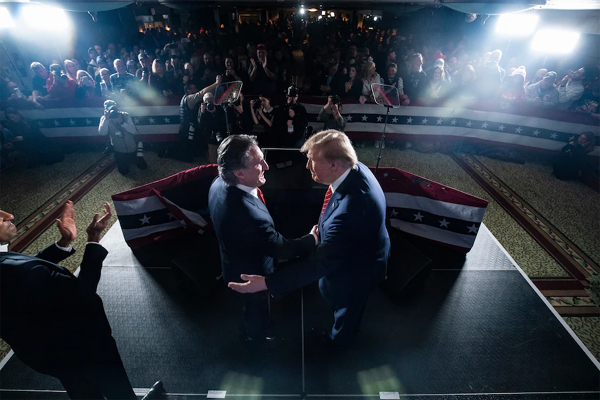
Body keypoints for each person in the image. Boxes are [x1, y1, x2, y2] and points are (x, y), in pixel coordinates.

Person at [229, 130, 391, 349]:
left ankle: (337, 345)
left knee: (347, 312)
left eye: (312, 161)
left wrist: (267, 282)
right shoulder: (355, 168)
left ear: (335, 165)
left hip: (355, 274)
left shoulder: (351, 210)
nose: (307, 167)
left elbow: (319, 265)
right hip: (360, 253)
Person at [0, 202, 165, 399]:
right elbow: (82, 295)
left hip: (41, 351)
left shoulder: (9, 267)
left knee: (81, 390)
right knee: (115, 386)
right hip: (84, 345)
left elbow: (22, 275)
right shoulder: (17, 271)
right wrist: (93, 240)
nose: (9, 216)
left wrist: (63, 243)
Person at [208, 135, 317, 345]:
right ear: (239, 173)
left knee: (246, 307)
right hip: (252, 272)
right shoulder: (251, 217)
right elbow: (281, 248)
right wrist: (311, 239)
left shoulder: (218, 183)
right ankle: (257, 339)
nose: (267, 166)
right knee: (256, 309)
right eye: (259, 163)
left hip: (232, 259)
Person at [98, 100, 147, 175]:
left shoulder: (125, 115)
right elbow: (102, 133)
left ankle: (137, 159)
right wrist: (106, 120)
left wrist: (122, 123)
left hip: (132, 147)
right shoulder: (104, 119)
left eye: (114, 109)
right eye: (110, 110)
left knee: (143, 167)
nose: (113, 111)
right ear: (106, 110)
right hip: (118, 150)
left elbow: (134, 131)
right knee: (124, 171)